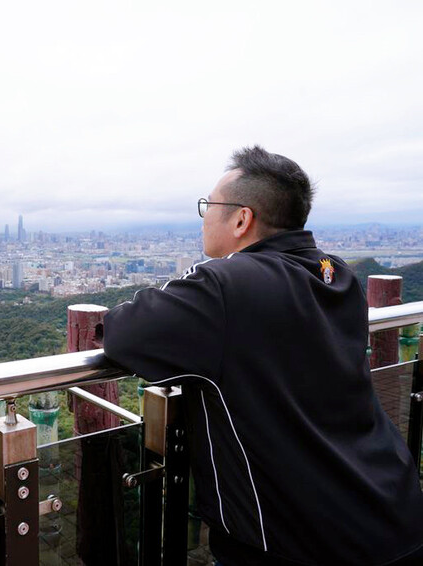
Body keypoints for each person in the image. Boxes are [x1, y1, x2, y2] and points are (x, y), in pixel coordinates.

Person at [103, 146, 423, 565]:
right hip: (395, 512)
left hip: (296, 542)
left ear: (241, 218)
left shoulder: (225, 286)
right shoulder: (338, 275)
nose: (204, 217)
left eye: (209, 206)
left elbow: (122, 332)